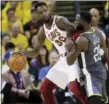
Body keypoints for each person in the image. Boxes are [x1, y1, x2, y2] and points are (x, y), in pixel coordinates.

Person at [23, 2, 87, 104]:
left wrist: (69, 38)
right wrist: (23, 53)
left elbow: (72, 27)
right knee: (45, 89)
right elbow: (35, 52)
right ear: (37, 15)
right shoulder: (42, 31)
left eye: (46, 10)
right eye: (41, 12)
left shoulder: (59, 20)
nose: (45, 13)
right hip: (63, 61)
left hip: (73, 56)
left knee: (74, 88)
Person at [65, 12, 108, 104]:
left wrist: (68, 49)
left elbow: (69, 61)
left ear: (84, 22)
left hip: (91, 76)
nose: (75, 22)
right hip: (102, 72)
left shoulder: (81, 40)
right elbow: (105, 50)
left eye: (77, 20)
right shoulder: (98, 32)